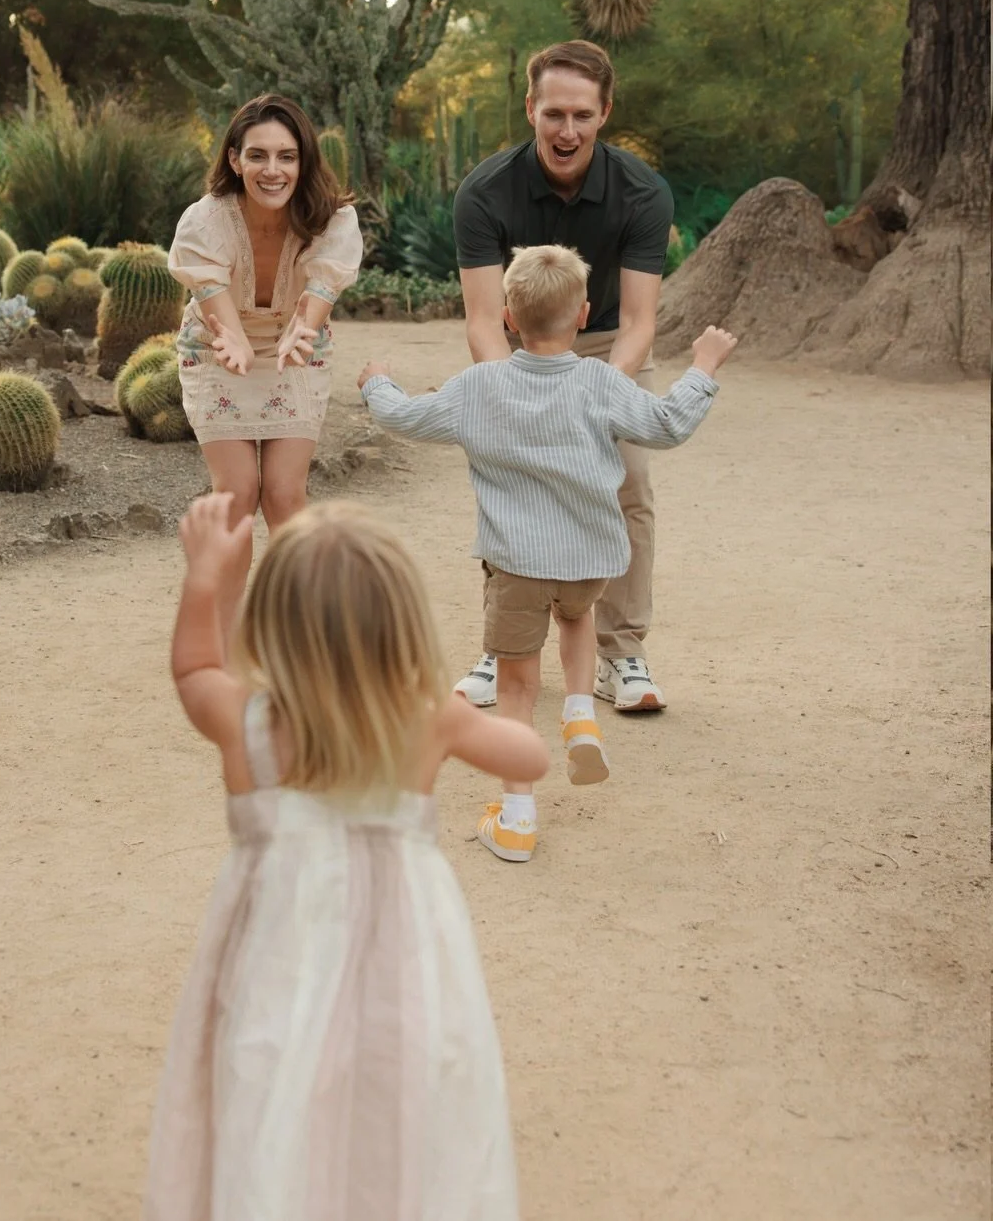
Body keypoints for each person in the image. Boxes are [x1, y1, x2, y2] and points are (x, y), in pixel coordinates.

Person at [144, 493, 549, 1221]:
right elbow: (530, 755)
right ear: (403, 626)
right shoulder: (429, 716)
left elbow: (194, 667)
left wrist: (204, 576)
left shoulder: (248, 723)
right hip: (401, 964)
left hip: (278, 954)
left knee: (272, 1073)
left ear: (274, 625)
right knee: (400, 1087)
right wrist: (497, 715)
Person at [358, 245, 736, 862]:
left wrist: (376, 380)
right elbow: (668, 425)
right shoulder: (601, 383)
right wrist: (703, 367)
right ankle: (582, 711)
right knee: (577, 618)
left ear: (508, 317)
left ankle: (516, 817)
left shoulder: (480, 386)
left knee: (516, 687)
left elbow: (405, 416)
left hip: (516, 566)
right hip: (589, 562)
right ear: (584, 314)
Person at [452, 39, 676, 713]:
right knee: (512, 480)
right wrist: (518, 402)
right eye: (554, 113)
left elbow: (639, 320)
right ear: (531, 109)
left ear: (605, 112)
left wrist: (594, 400)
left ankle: (622, 655)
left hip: (606, 340)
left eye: (582, 114)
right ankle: (505, 648)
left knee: (627, 482)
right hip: (516, 341)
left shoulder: (642, 192)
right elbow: (484, 318)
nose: (567, 129)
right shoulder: (484, 193)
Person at [168, 95, 363, 592]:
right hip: (216, 349)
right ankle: (226, 639)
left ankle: (294, 632)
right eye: (257, 155)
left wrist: (304, 327)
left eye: (286, 156)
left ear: (303, 160)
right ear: (235, 160)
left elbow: (316, 298)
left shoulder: (332, 219)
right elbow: (218, 311)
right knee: (235, 495)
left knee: (283, 495)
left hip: (295, 350)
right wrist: (233, 340)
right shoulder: (206, 219)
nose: (272, 170)